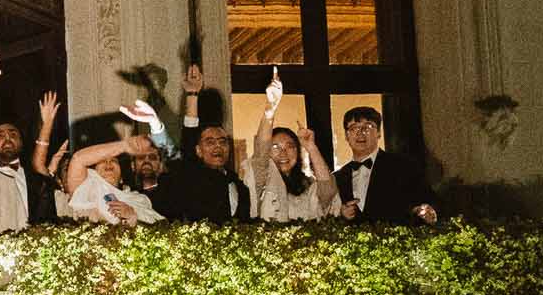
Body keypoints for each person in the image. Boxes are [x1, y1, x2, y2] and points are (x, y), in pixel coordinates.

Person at [246, 70, 338, 221]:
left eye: (290, 146)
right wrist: (270, 109)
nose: (283, 153)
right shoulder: (260, 181)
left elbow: (327, 191)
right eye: (275, 147)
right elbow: (260, 154)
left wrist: (311, 147)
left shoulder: (308, 184)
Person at [335, 106, 439, 224]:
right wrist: (342, 214)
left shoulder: (404, 166)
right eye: (354, 128)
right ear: (346, 135)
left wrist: (423, 210)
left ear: (379, 132)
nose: (361, 133)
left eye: (368, 126)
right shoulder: (337, 178)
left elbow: (427, 201)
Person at [152, 111, 253, 224]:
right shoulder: (189, 179)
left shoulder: (240, 185)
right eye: (210, 143)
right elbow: (173, 155)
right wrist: (156, 127)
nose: (218, 147)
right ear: (199, 151)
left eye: (222, 142)